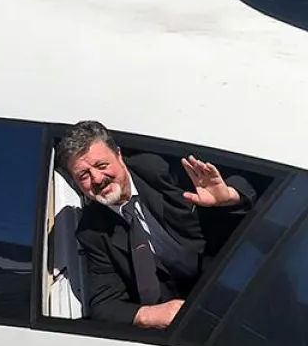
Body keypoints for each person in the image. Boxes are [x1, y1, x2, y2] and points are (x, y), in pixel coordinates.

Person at [55, 121, 258, 329]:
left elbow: (252, 175)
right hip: (177, 324)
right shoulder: (92, 230)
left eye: (101, 165)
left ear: (119, 155)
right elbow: (104, 305)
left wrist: (229, 197)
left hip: (235, 279)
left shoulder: (158, 168)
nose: (97, 179)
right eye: (84, 175)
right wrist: (150, 315)